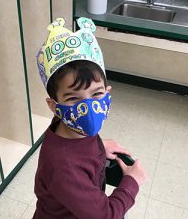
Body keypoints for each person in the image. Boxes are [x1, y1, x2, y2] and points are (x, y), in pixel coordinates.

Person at [33, 17, 146, 219]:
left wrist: (98, 146)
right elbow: (105, 215)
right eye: (73, 98)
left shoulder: (70, 126)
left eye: (96, 94)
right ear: (54, 105)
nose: (88, 108)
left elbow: (77, 148)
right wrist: (132, 183)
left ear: (107, 92)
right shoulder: (64, 167)